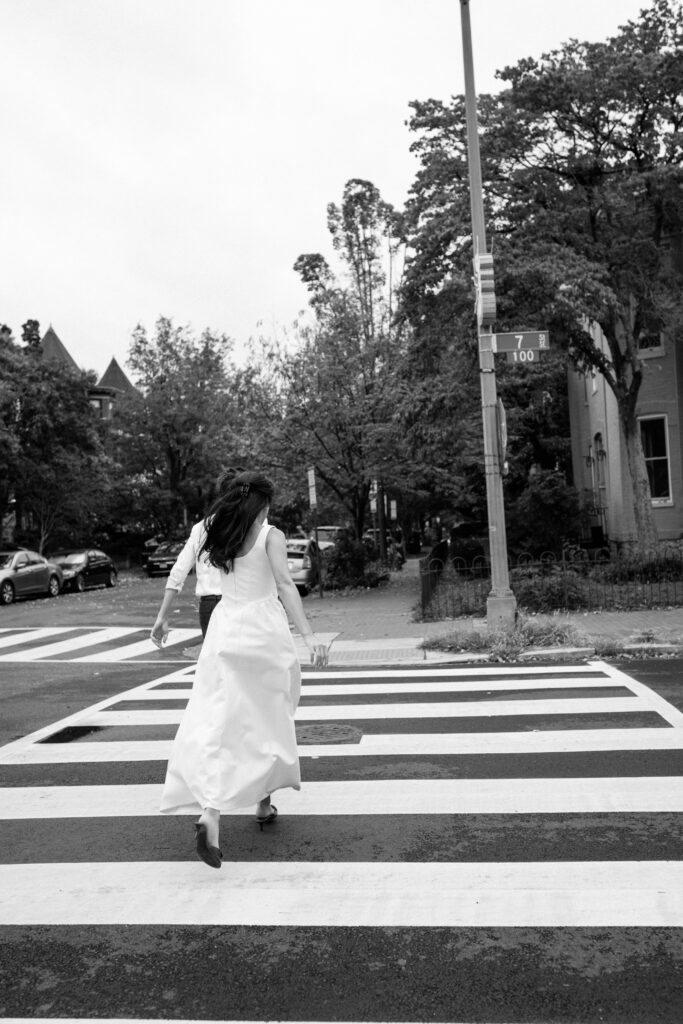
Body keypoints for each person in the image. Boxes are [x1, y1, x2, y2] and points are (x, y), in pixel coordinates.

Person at [151, 470, 329, 869]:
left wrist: (162, 616)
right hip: (264, 632)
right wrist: (309, 635)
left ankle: (211, 814)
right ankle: (263, 803)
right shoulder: (270, 535)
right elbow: (285, 585)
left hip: (225, 629)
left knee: (222, 720)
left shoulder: (217, 533)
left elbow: (184, 569)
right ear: (263, 503)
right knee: (268, 717)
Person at [155, 520, 223, 639]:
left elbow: (178, 571)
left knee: (213, 650)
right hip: (239, 602)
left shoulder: (200, 528)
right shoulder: (248, 521)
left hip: (210, 604)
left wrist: (162, 616)